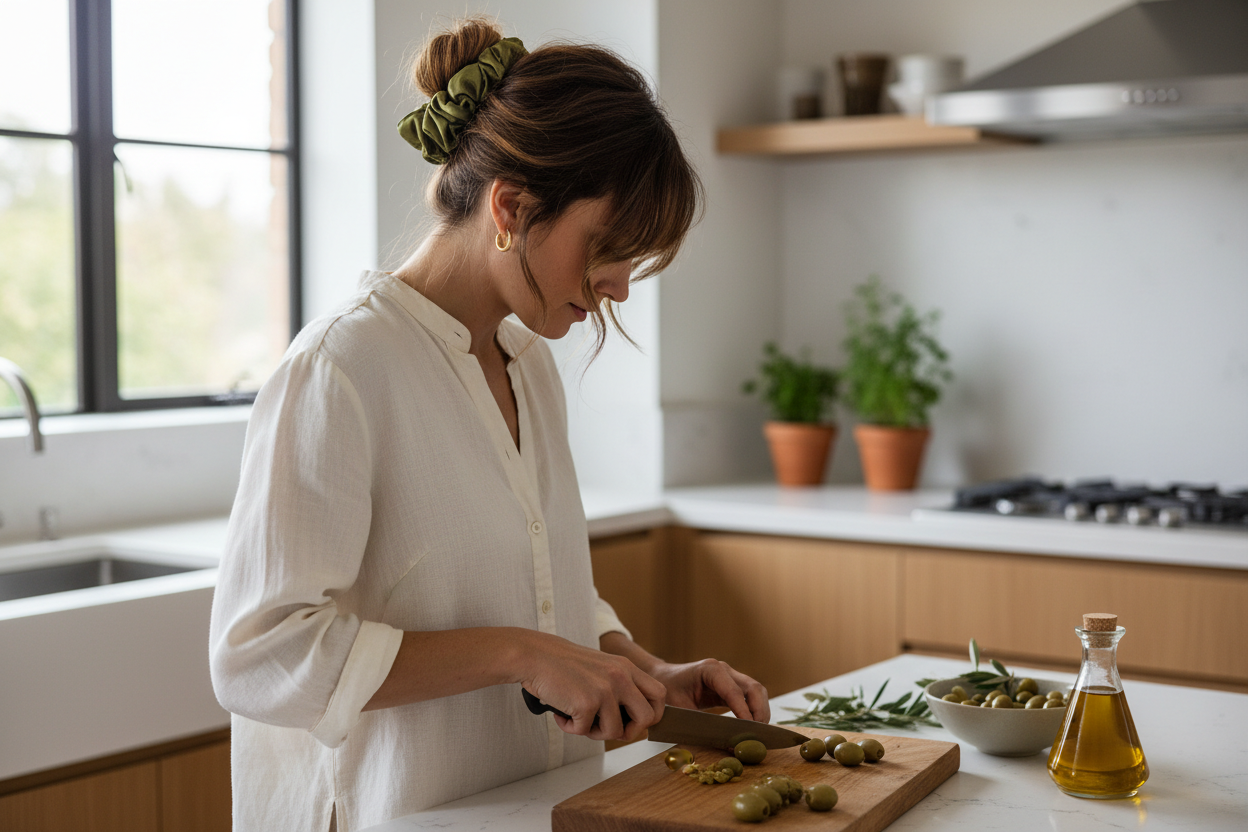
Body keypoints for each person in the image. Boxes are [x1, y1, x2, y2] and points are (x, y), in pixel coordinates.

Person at [208, 16, 768, 832]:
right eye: (607, 248)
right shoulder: (342, 366)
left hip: (532, 809)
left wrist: (643, 670)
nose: (615, 287)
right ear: (510, 206)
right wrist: (521, 654)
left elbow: (534, 580)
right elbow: (259, 656)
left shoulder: (528, 364)